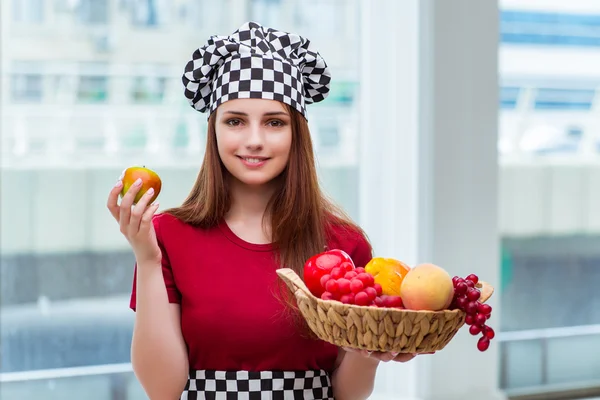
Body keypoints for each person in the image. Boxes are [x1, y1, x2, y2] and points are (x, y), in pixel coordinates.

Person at [107, 21, 416, 400]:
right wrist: (147, 258)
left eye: (274, 122)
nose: (254, 141)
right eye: (235, 121)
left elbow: (348, 394)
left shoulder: (344, 245)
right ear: (214, 130)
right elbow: (163, 389)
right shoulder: (166, 236)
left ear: (296, 134)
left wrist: (368, 351)